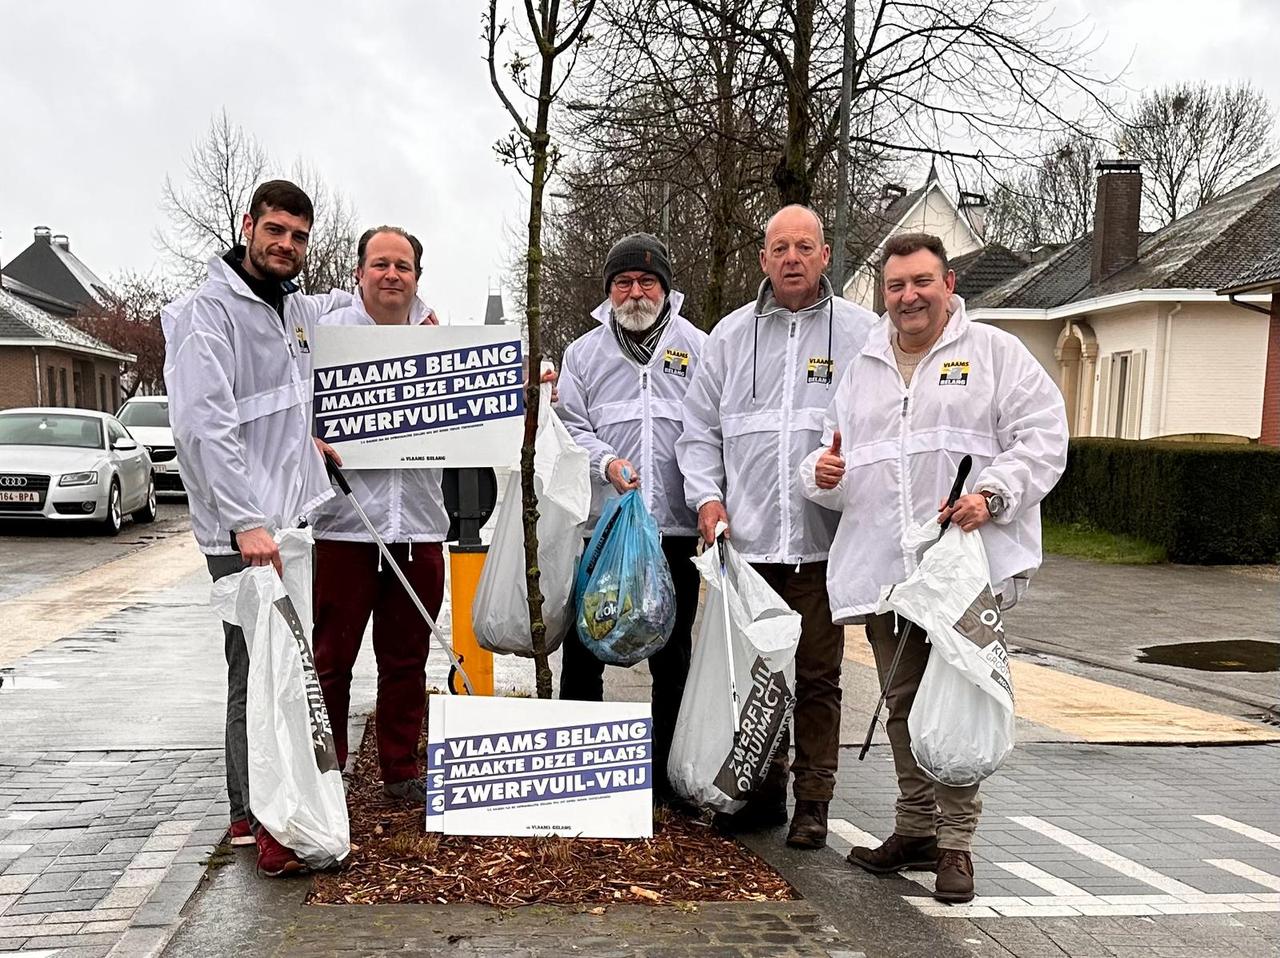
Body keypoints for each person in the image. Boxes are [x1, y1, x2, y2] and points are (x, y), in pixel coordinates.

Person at [800, 231, 1068, 902]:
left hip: (960, 568)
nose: (909, 296)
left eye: (922, 282)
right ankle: (914, 828)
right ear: (883, 294)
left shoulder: (995, 355)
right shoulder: (861, 367)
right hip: (886, 566)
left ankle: (958, 846)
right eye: (895, 286)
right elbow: (824, 460)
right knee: (902, 703)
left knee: (958, 701)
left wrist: (992, 495)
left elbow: (1044, 437)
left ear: (949, 285)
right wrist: (822, 473)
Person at [162, 180, 351, 877]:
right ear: (248, 226)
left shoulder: (291, 310)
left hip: (288, 527)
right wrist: (245, 522)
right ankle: (251, 813)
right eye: (275, 230)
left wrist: (310, 443)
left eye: (299, 236)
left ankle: (276, 801)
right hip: (244, 536)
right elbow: (205, 427)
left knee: (284, 671)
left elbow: (280, 405)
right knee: (256, 671)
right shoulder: (206, 314)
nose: (286, 246)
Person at [676, 205, 878, 848]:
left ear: (825, 257)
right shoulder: (729, 339)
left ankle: (814, 799)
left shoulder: (862, 334)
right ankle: (761, 790)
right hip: (749, 547)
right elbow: (698, 434)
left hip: (824, 548)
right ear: (762, 259)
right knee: (757, 679)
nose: (792, 258)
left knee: (818, 677)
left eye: (805, 247)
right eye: (779, 248)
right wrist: (707, 500)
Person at [555, 233, 707, 806]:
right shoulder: (584, 353)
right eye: (624, 282)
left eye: (647, 282)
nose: (636, 292)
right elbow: (571, 425)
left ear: (666, 289)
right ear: (609, 291)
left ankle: (664, 776)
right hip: (605, 532)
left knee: (672, 657)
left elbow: (709, 430)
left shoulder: (699, 347)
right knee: (588, 647)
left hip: (675, 530)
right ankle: (576, 771)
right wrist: (606, 461)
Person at [309, 226, 446, 806]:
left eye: (404, 266)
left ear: (417, 275)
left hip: (418, 523)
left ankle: (399, 769)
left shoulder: (445, 340)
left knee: (407, 659)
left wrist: (527, 382)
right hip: (346, 525)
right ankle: (328, 769)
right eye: (381, 264)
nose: (393, 275)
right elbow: (294, 406)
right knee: (332, 658)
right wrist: (306, 437)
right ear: (360, 270)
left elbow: (482, 413)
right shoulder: (327, 338)